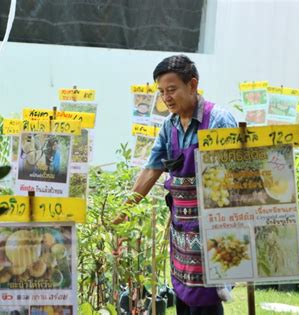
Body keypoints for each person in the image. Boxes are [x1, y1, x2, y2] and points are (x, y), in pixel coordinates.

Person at [114, 55, 237, 315]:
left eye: (172, 90)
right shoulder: (169, 125)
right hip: (182, 231)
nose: (166, 98)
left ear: (192, 85)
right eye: (161, 92)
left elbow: (234, 175)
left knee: (206, 300)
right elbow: (152, 168)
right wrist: (125, 209)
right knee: (184, 296)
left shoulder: (218, 120)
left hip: (212, 229)